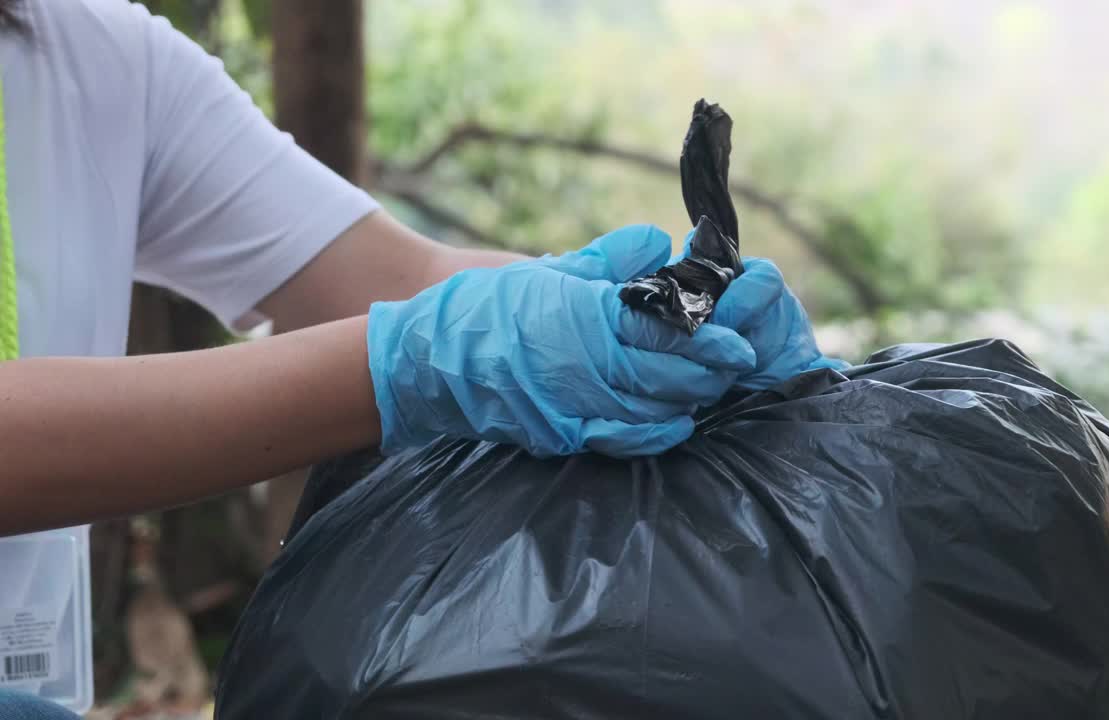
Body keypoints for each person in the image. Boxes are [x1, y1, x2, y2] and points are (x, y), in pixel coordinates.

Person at [0, 0, 845, 715]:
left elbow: (398, 277)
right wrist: (404, 363)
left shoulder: (93, 55)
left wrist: (622, 308)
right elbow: (414, 327)